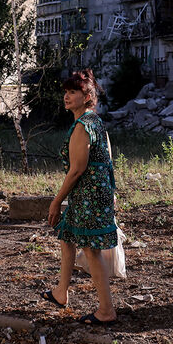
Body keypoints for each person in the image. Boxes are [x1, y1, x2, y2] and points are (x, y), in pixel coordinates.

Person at [43, 69, 118, 325]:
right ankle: (61, 292)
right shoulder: (94, 121)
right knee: (67, 236)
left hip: (89, 196)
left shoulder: (83, 126)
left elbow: (77, 170)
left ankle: (106, 310)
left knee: (90, 249)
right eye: (66, 91)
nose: (67, 96)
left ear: (87, 96)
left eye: (73, 92)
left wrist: (55, 201)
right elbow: (108, 159)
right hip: (92, 194)